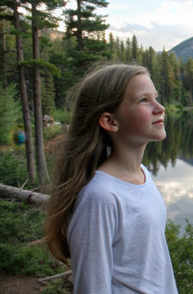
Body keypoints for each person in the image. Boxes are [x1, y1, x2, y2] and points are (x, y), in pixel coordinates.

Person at [43, 64, 178, 293]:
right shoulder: (100, 197)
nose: (160, 107)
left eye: (155, 97)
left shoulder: (143, 174)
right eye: (144, 100)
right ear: (110, 122)